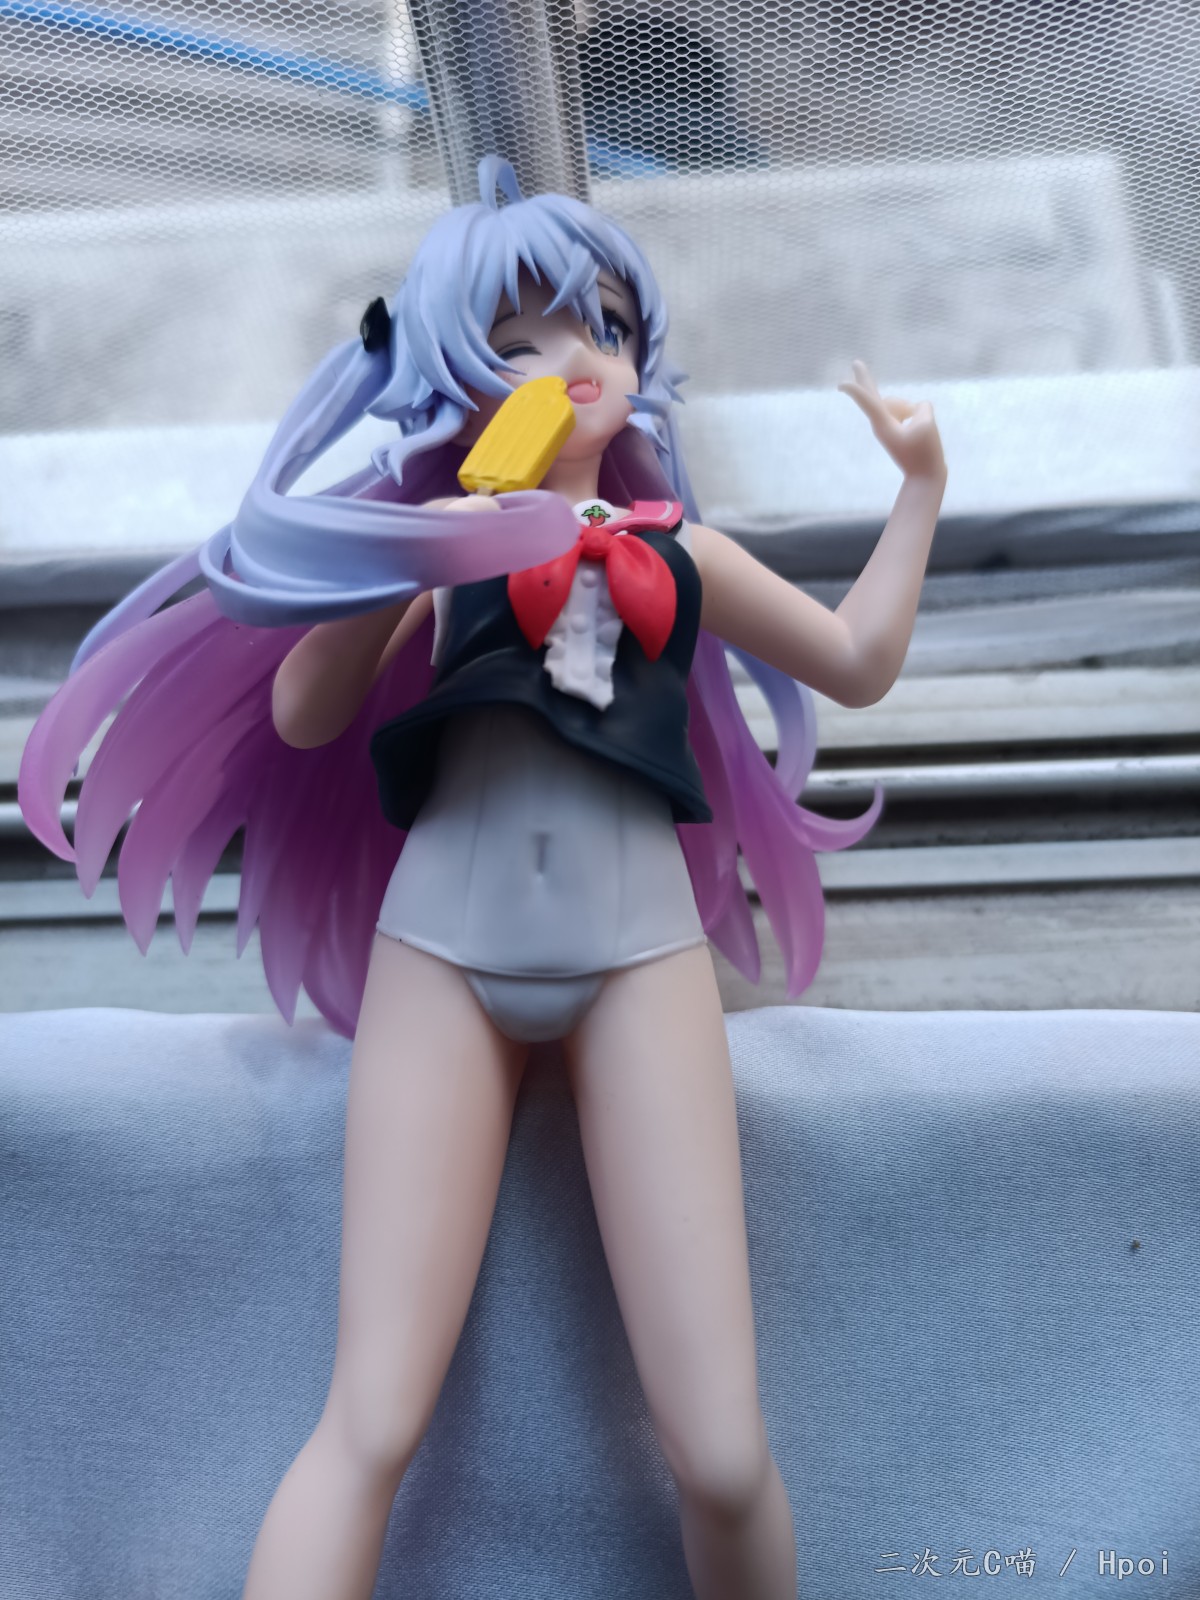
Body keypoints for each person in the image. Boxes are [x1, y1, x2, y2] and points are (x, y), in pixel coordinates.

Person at [19, 157, 945, 1599]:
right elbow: (305, 712)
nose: (574, 364)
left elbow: (859, 662)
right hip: (442, 958)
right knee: (371, 1421)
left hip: (639, 960)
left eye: (606, 329)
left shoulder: (683, 552)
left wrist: (922, 487)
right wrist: (417, 540)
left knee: (718, 1448)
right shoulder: (440, 555)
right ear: (455, 373)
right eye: (518, 342)